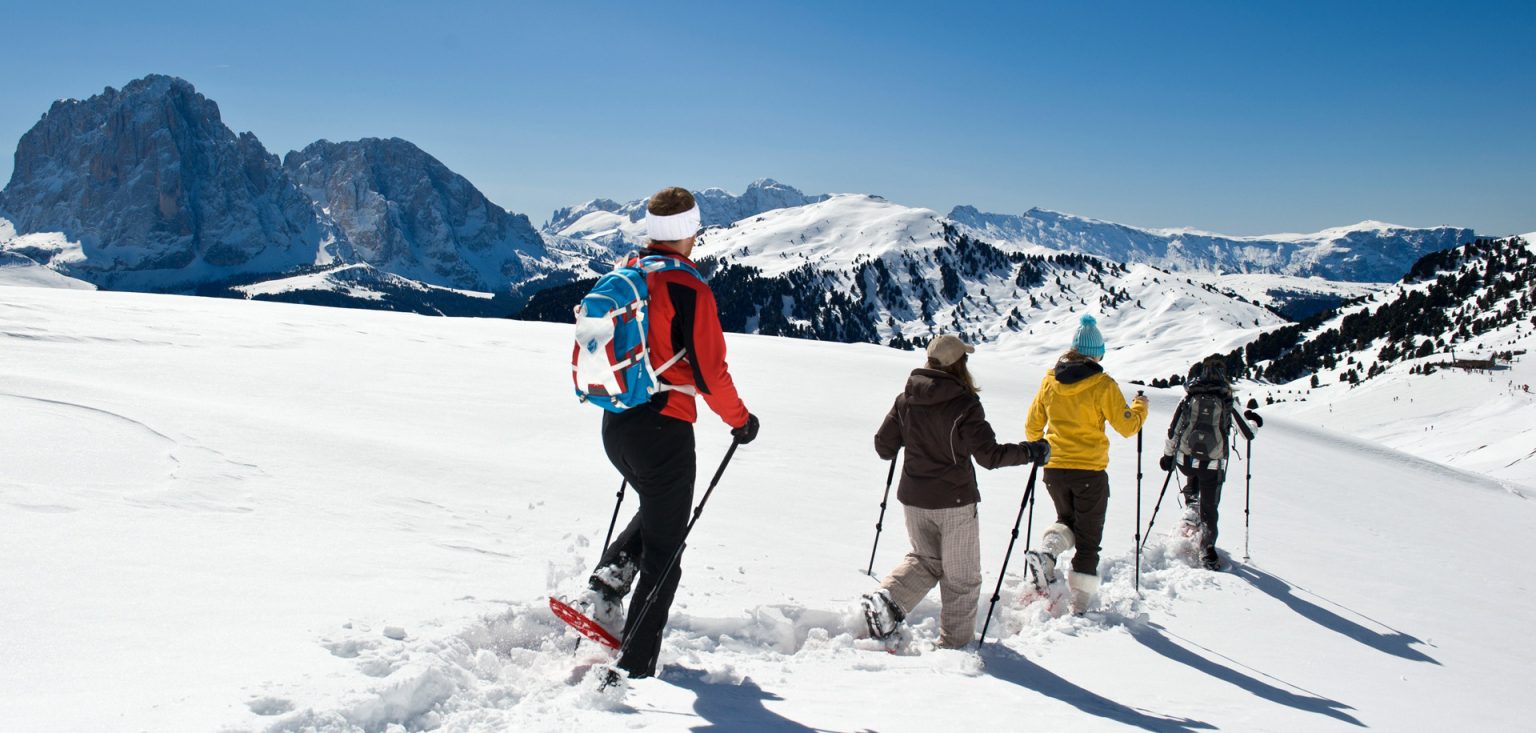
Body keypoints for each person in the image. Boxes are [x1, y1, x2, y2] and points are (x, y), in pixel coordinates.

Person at [581, 186, 759, 680]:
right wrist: (740, 421)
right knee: (666, 549)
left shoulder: (630, 274)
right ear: (690, 232)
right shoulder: (688, 287)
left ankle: (607, 581)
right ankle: (635, 664)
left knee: (659, 512)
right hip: (664, 430)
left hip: (616, 423)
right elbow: (711, 373)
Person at [864, 334, 1050, 649]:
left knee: (926, 560)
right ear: (959, 365)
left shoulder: (906, 399)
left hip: (914, 499)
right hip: (954, 501)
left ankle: (888, 599)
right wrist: (1031, 451)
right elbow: (989, 456)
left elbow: (884, 447)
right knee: (961, 580)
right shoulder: (965, 404)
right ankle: (955, 646)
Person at [1024, 315, 1148, 613]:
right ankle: (1079, 606)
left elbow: (1031, 428)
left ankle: (1047, 553)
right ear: (1097, 353)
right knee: (1089, 541)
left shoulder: (1050, 380)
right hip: (1090, 472)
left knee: (1068, 521)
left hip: (1054, 469)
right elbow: (1127, 427)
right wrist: (1140, 407)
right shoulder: (1102, 384)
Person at [1159, 355, 1255, 571]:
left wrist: (1168, 456)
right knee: (1210, 505)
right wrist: (1253, 422)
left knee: (1193, 477)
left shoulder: (1188, 396)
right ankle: (1207, 549)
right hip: (1212, 463)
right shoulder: (1228, 400)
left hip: (1186, 459)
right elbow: (1247, 434)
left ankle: (1191, 511)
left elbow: (1174, 430)